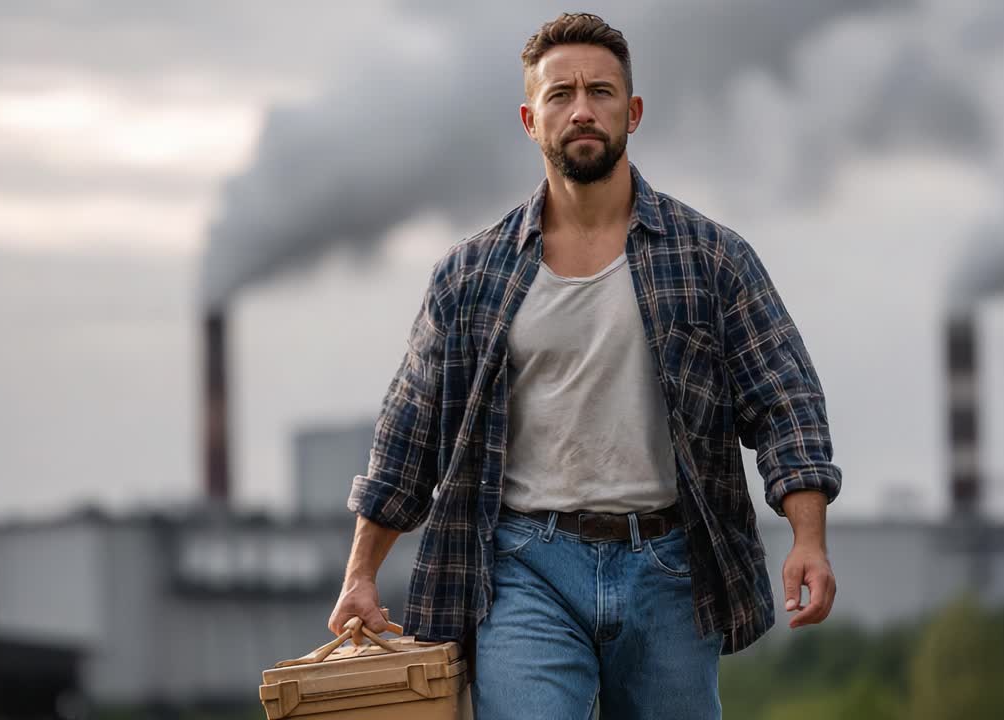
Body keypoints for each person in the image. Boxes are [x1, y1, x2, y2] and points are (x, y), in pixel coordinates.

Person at [328, 12, 842, 719]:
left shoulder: (710, 259)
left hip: (669, 566)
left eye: (600, 92)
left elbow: (786, 399)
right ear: (529, 120)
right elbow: (409, 432)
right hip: (524, 568)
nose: (582, 109)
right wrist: (361, 573)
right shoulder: (472, 275)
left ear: (631, 112)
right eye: (560, 94)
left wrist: (806, 537)